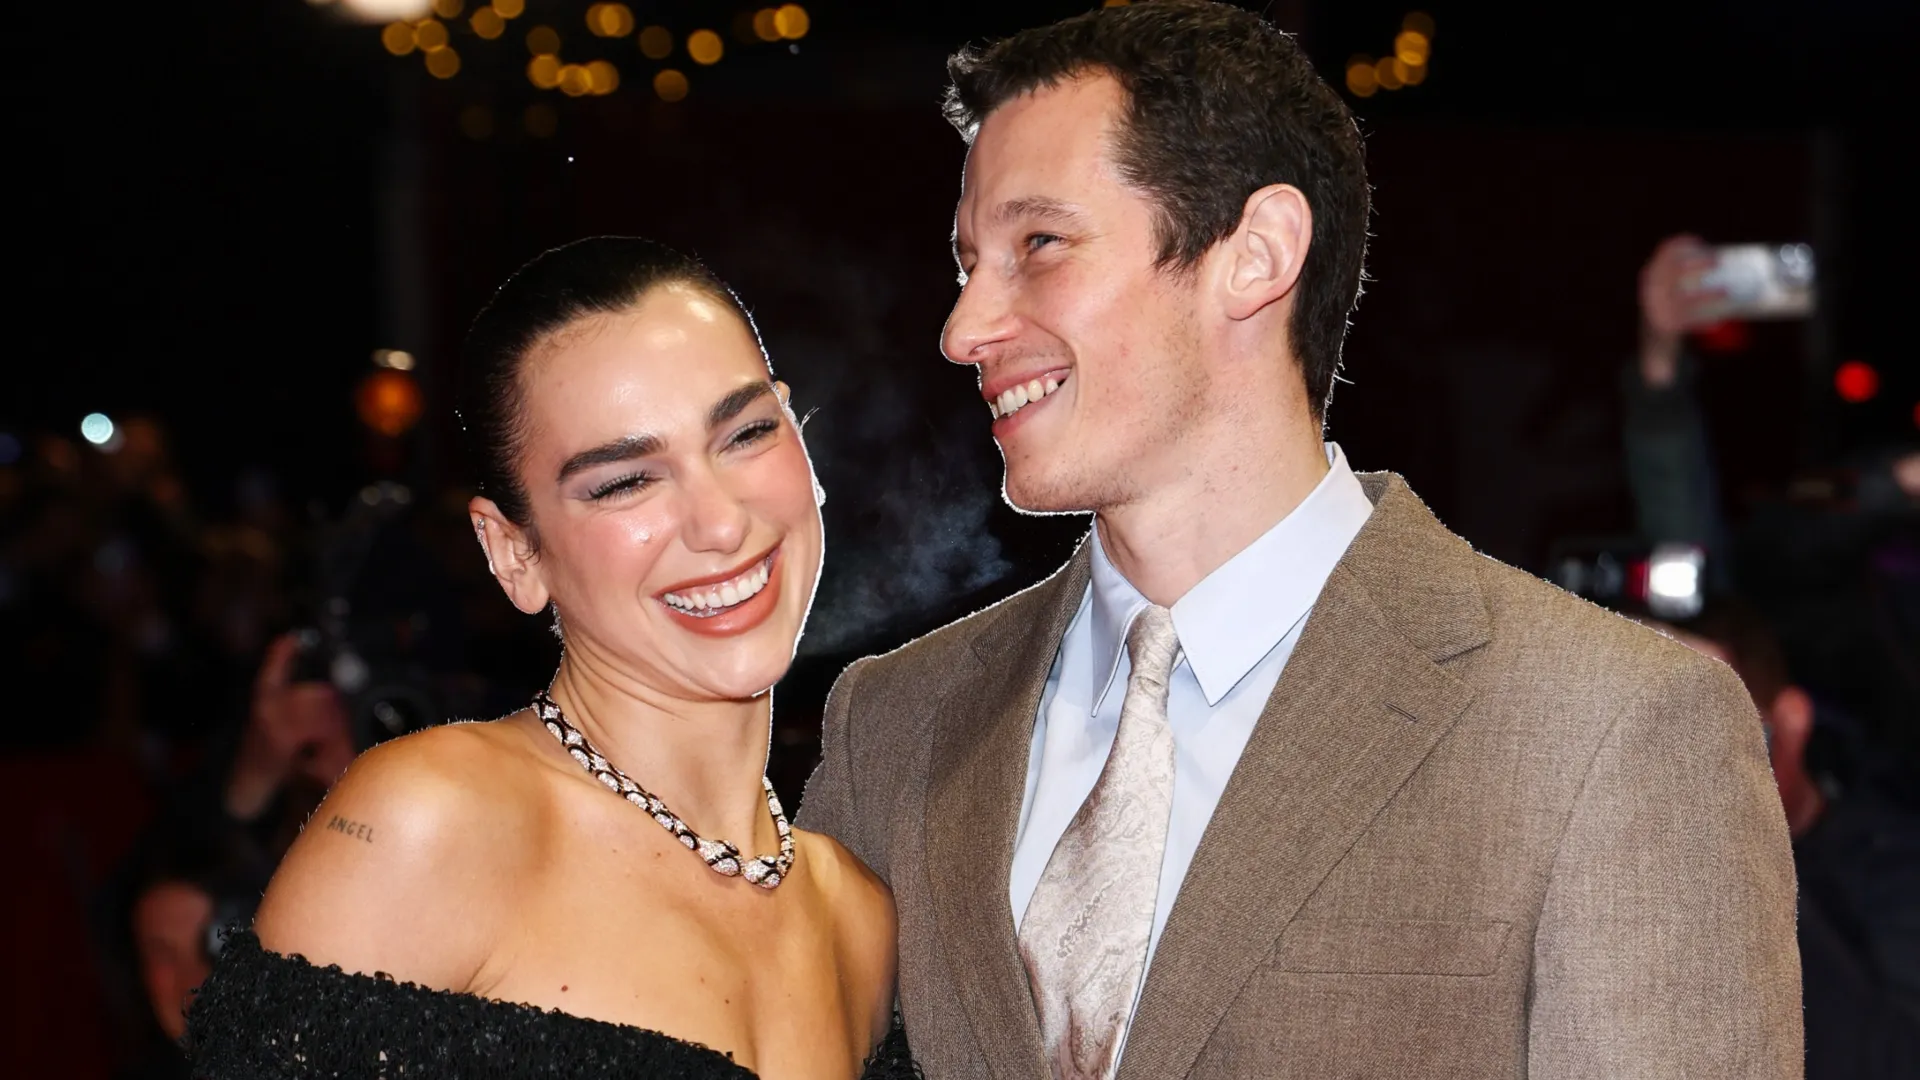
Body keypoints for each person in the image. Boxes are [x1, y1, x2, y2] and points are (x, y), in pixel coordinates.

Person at [799, 4, 1801, 1078]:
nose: (964, 328)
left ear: (1257, 255)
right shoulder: (892, 724)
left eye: (1038, 246)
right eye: (968, 263)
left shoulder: (1608, 729)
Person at [185, 237, 913, 1079]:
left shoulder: (860, 918)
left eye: (747, 433)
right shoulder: (431, 827)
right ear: (513, 553)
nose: (720, 522)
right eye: (625, 482)